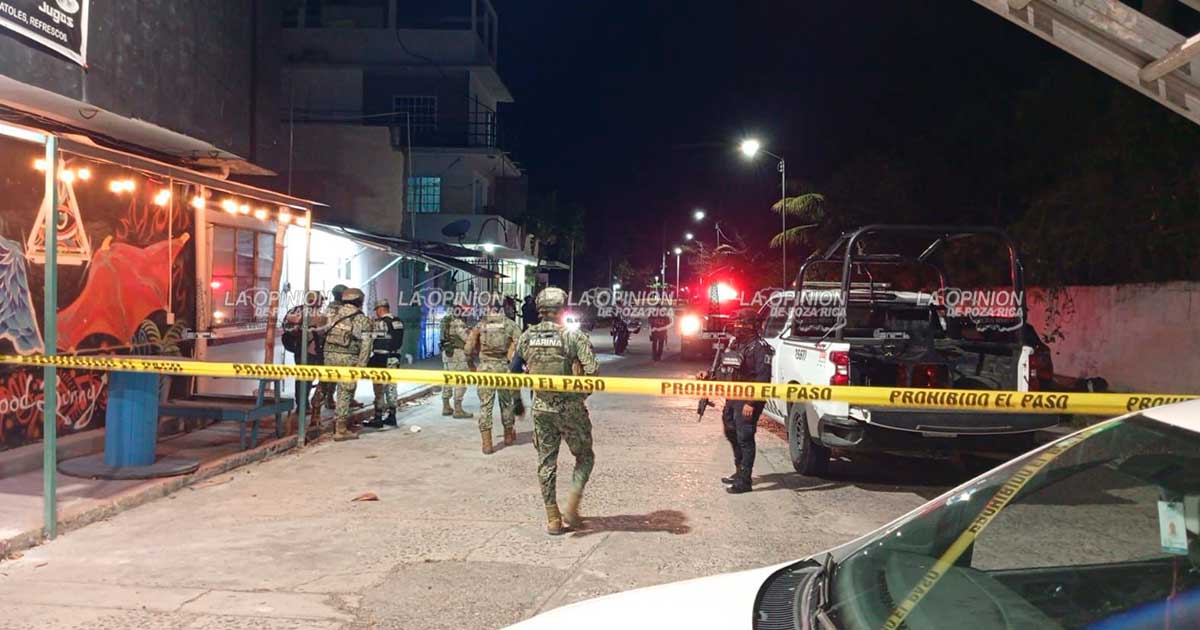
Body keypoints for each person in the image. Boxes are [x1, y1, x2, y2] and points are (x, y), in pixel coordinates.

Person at [511, 286, 599, 535]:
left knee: (546, 462)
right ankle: (572, 506)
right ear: (563, 309)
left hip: (541, 408)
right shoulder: (573, 336)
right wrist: (580, 395)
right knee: (585, 457)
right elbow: (592, 371)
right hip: (571, 408)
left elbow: (513, 372)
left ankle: (552, 518)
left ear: (540, 309)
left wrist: (518, 402)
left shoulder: (527, 336)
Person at [720, 307, 774, 494]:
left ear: (751, 325)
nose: (737, 326)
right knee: (730, 430)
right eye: (736, 322)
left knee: (745, 436)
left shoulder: (761, 348)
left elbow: (763, 378)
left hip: (749, 398)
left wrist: (751, 402)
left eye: (740, 323)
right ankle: (738, 471)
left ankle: (745, 480)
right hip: (734, 395)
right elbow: (726, 366)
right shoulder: (736, 343)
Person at [466, 301, 522, 454]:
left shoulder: (480, 325)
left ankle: (487, 444)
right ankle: (508, 436)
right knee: (506, 403)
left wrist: (471, 364)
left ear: (488, 308)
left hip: (485, 369)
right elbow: (521, 346)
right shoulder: (510, 325)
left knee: (485, 406)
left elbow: (468, 348)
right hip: (504, 369)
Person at [322, 287, 373, 441]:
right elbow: (366, 345)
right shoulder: (361, 319)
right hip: (348, 358)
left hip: (328, 356)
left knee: (324, 386)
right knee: (345, 392)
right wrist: (361, 366)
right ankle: (340, 429)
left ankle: (316, 416)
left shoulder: (332, 313)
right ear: (360, 301)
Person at [282, 291, 325, 415]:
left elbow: (285, 327)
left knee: (302, 379)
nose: (322, 303)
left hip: (298, 349)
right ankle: (303, 406)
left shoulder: (295, 311)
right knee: (306, 380)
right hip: (310, 351)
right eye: (321, 301)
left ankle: (302, 405)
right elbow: (321, 332)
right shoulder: (315, 315)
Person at [365, 299, 404, 429]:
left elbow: (372, 341)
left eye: (376, 310)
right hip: (394, 357)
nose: (376, 313)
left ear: (380, 309)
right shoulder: (398, 321)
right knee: (392, 386)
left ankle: (378, 417)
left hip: (381, 358)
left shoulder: (380, 323)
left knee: (379, 388)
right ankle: (392, 415)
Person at [309, 284, 347, 417]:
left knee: (327, 379)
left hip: (326, 349)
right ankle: (322, 404)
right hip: (338, 350)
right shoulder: (343, 311)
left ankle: (323, 402)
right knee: (331, 380)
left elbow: (320, 331)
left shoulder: (327, 310)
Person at [440, 303, 473, 419]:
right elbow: (466, 338)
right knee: (460, 380)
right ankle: (458, 409)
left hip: (447, 354)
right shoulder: (458, 323)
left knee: (447, 380)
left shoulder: (445, 321)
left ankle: (446, 406)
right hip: (457, 354)